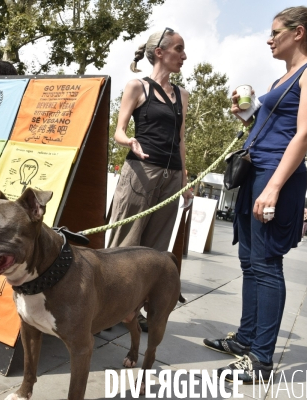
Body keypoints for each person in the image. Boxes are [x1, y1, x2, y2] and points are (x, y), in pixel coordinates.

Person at [203, 6, 307, 383]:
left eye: (275, 31)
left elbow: (305, 134)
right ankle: (246, 339)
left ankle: (261, 360)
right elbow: (268, 127)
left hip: (275, 175)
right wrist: (242, 116)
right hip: (256, 171)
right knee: (249, 262)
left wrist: (275, 187)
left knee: (265, 265)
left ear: (297, 33)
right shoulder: (285, 76)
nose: (268, 39)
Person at [107, 27, 192, 331]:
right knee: (125, 242)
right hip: (140, 172)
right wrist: (128, 140)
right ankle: (107, 307)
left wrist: (184, 179)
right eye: (179, 49)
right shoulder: (137, 87)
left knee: (154, 250)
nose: (184, 56)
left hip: (170, 177)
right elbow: (118, 131)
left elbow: (181, 140)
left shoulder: (182, 95)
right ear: (160, 52)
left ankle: (133, 310)